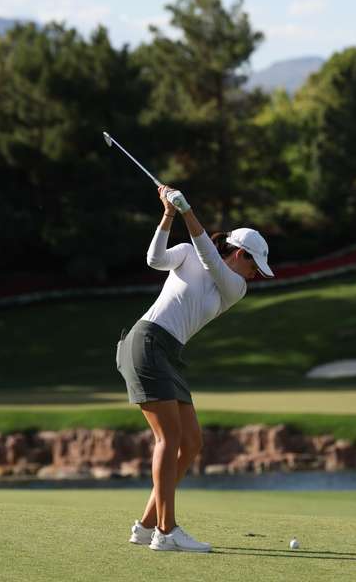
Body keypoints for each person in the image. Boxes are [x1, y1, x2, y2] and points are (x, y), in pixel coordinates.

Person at [115, 185, 274, 553]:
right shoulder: (188, 252)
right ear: (240, 254)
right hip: (147, 342)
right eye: (254, 266)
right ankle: (166, 532)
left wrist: (188, 211)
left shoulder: (232, 286)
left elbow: (210, 258)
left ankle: (147, 525)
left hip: (169, 353)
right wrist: (170, 214)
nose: (255, 275)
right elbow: (155, 259)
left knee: (191, 442)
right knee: (168, 440)